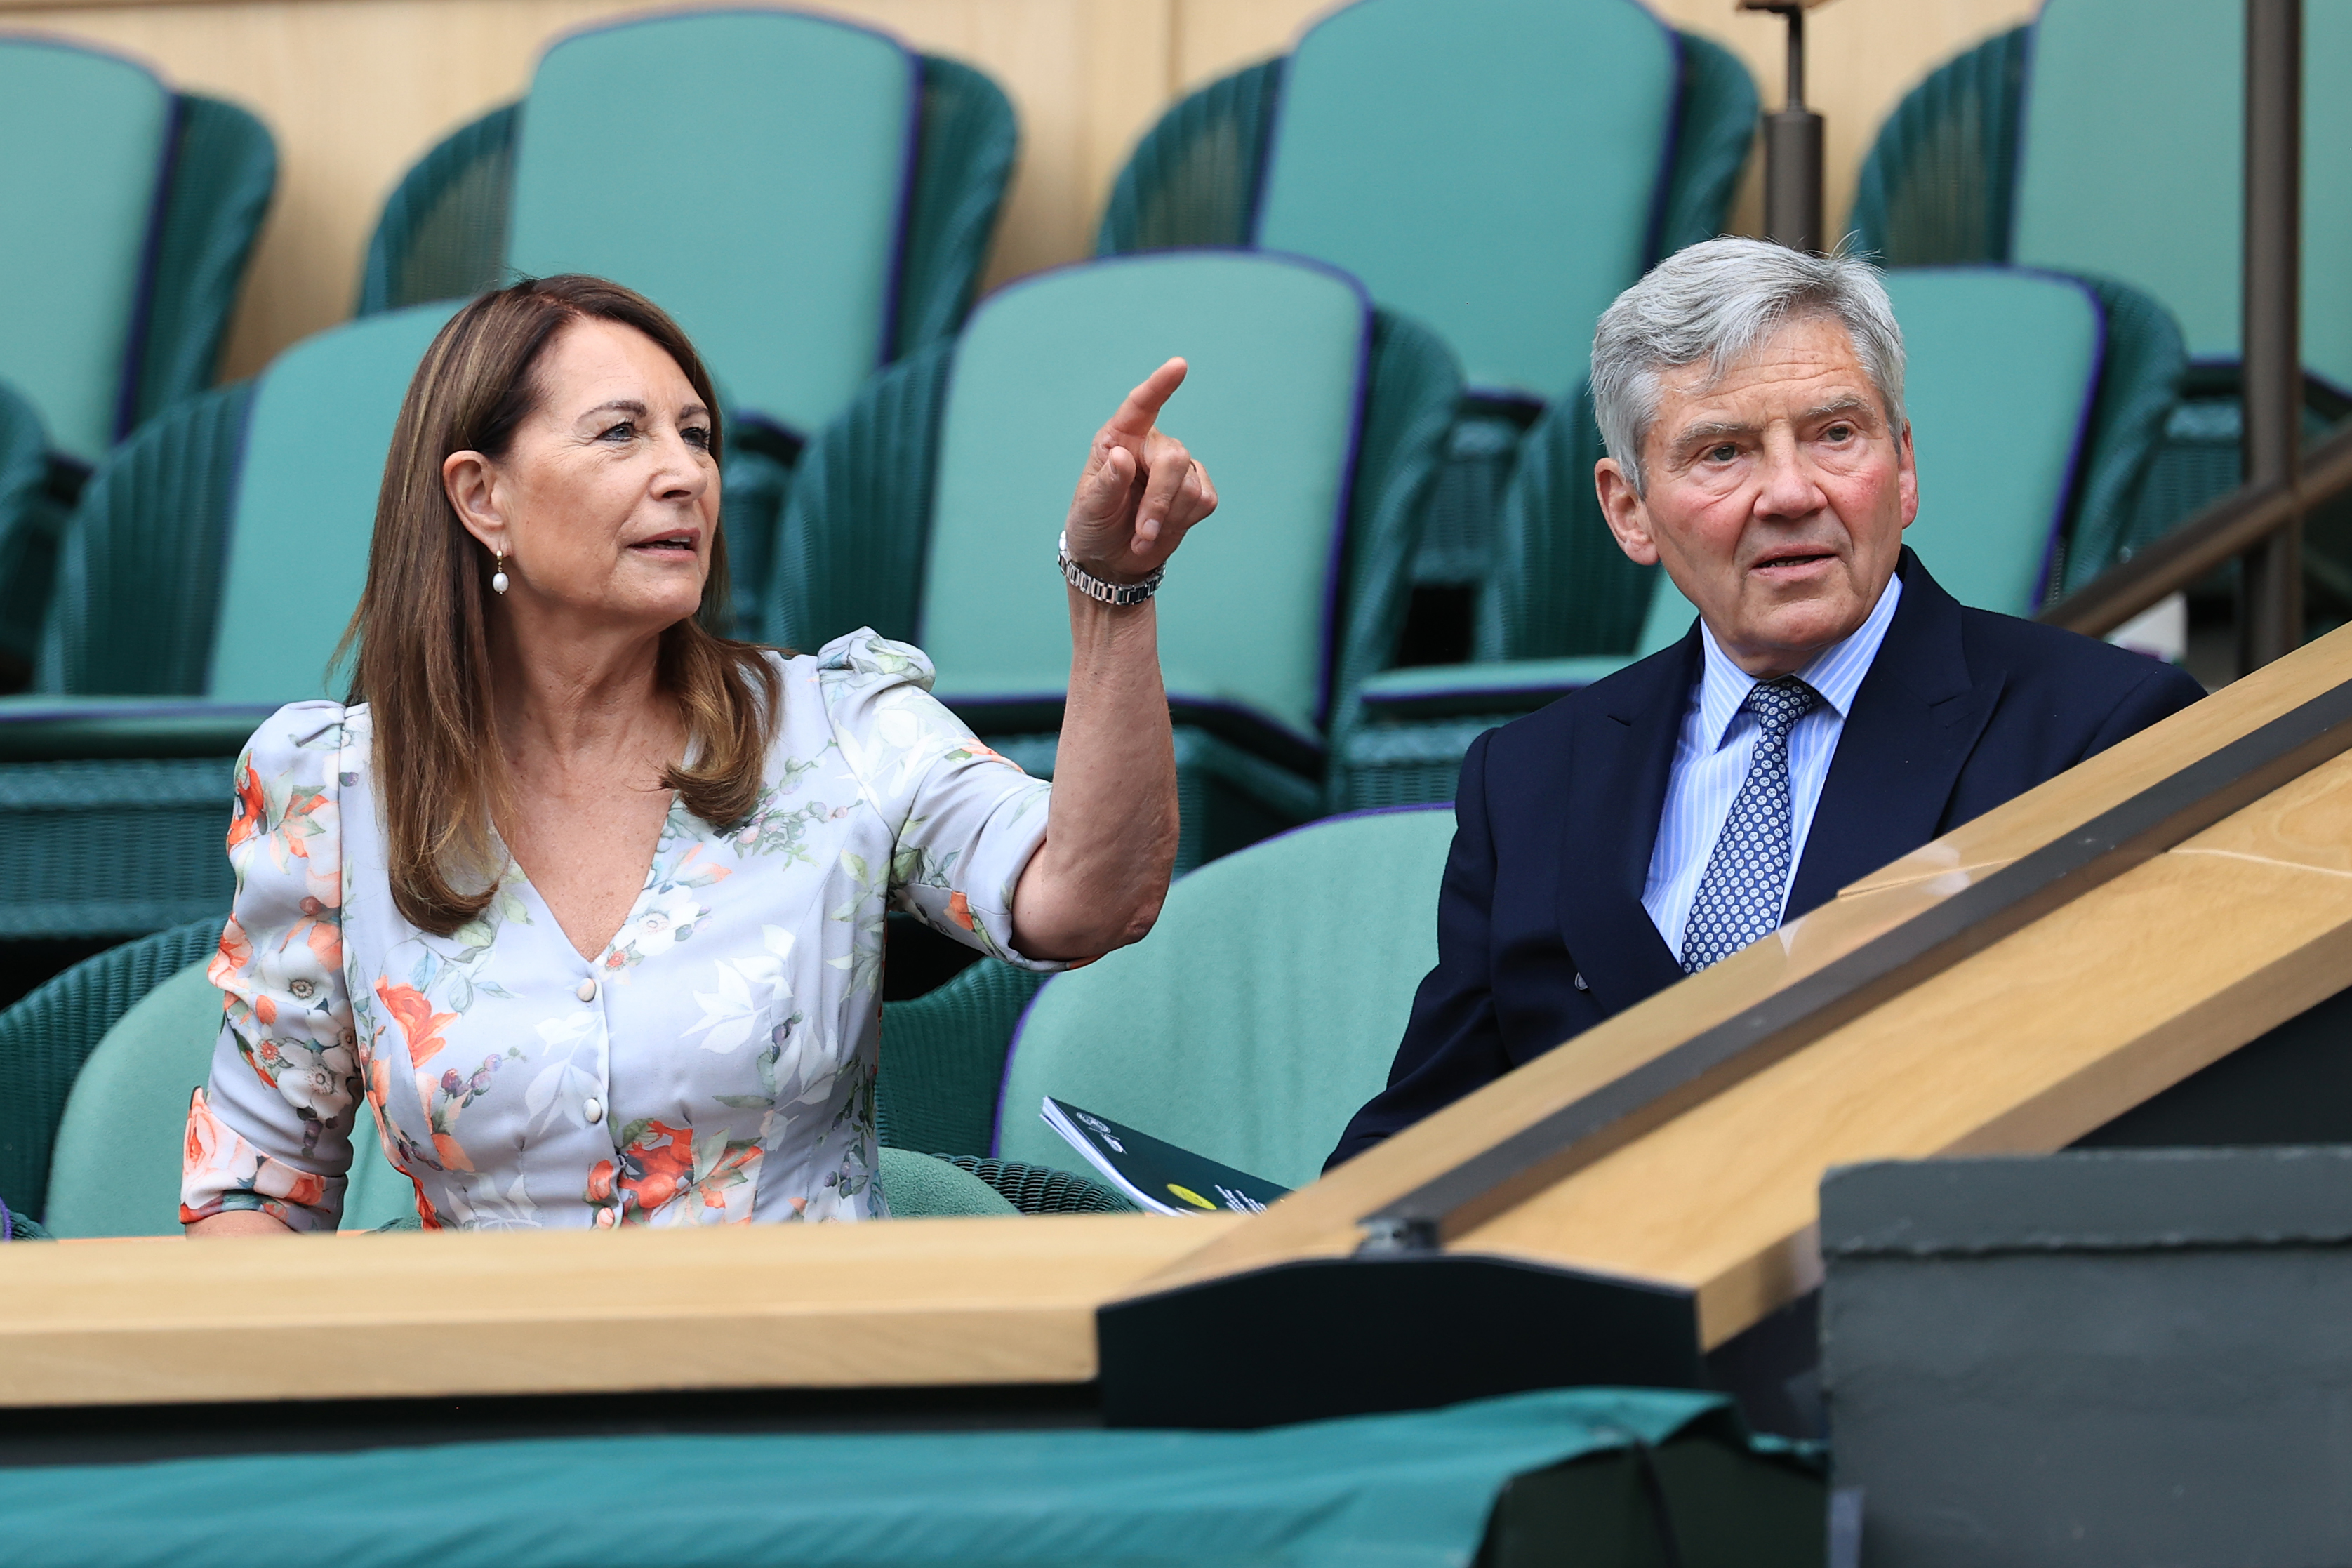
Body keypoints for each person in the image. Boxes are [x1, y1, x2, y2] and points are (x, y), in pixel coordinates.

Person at [182, 274, 1216, 1232]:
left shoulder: (837, 726)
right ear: (480, 496)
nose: (686, 475)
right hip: (491, 1406)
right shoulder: (334, 794)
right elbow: (256, 1188)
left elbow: (1089, 896)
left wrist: (1111, 596)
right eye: (621, 434)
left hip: (798, 1393)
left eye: (698, 436)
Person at [1329, 239, 2206, 1167]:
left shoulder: (2100, 731)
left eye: (1835, 434)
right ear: (1628, 509)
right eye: (1723, 451)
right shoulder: (1529, 779)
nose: (1792, 492)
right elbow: (1419, 1137)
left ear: (1903, 469)